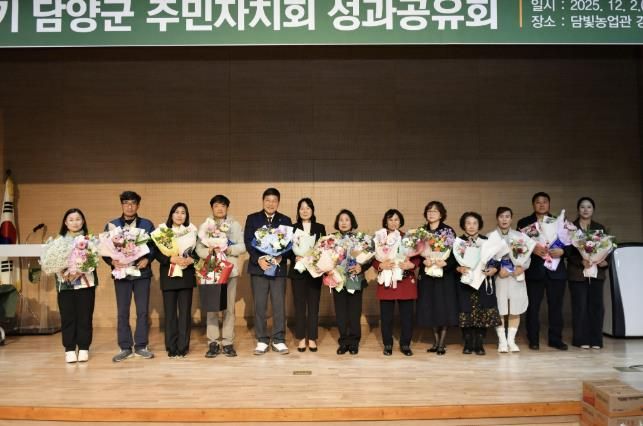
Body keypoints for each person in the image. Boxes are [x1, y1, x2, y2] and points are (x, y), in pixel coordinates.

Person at [103, 191, 156, 362]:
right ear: (122, 205)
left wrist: (147, 259)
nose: (129, 206)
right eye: (126, 203)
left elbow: (155, 246)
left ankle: (141, 346)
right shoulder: (112, 226)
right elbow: (104, 249)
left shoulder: (147, 224)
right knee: (122, 311)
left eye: (133, 203)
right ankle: (125, 347)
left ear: (138, 205)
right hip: (122, 274)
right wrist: (112, 261)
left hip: (142, 274)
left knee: (142, 311)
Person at [243, 188, 292, 355]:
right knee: (260, 305)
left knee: (279, 305)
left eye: (274, 201)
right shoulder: (253, 218)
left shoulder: (285, 220)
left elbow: (289, 244)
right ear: (263, 201)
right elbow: (248, 241)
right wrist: (259, 259)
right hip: (259, 268)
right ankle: (262, 340)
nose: (271, 204)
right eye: (268, 200)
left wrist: (280, 257)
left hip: (278, 268)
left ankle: (279, 339)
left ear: (278, 202)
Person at [196, 195, 246, 358]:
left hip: (229, 271)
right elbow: (198, 249)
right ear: (212, 208)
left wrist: (228, 249)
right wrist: (209, 251)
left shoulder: (234, 225)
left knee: (229, 308)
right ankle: (213, 342)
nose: (220, 209)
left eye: (223, 206)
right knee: (212, 307)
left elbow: (242, 246)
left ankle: (227, 342)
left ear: (227, 208)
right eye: (217, 205)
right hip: (211, 271)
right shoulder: (205, 225)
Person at [517, 192, 568, 351]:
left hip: (556, 271)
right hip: (535, 271)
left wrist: (563, 251)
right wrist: (532, 249)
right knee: (533, 307)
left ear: (549, 204)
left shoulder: (559, 222)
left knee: (556, 307)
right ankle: (533, 339)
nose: (541, 204)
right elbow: (518, 246)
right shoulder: (524, 222)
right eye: (538, 202)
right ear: (533, 204)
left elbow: (570, 245)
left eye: (544, 202)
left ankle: (555, 339)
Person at [373, 209, 419, 357]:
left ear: (400, 221)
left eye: (396, 219)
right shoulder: (379, 238)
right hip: (387, 280)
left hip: (404, 280)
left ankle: (405, 344)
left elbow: (417, 256)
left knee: (407, 316)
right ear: (386, 221)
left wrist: (412, 265)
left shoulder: (408, 237)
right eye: (390, 219)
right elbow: (372, 257)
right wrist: (380, 265)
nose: (393, 222)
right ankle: (388, 344)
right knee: (386, 316)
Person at [154, 203, 197, 358]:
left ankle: (183, 346)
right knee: (170, 313)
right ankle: (171, 346)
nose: (179, 215)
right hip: (169, 275)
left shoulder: (191, 231)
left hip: (186, 275)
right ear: (171, 214)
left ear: (186, 216)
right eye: (176, 212)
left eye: (183, 212)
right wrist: (170, 259)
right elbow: (156, 253)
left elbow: (197, 252)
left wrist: (192, 259)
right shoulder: (163, 232)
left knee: (185, 313)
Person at [455, 212, 501, 356]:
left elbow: (497, 260)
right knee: (466, 311)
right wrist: (458, 268)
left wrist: (494, 269)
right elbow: (451, 263)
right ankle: (468, 343)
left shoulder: (486, 241)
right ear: (463, 225)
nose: (471, 226)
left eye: (474, 223)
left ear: (479, 225)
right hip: (465, 283)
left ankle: (479, 343)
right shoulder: (458, 242)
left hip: (483, 282)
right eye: (468, 223)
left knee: (483, 312)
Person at [416, 201, 458, 355]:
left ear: (441, 214)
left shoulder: (448, 231)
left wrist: (445, 263)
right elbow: (414, 253)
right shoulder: (421, 232)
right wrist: (423, 261)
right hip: (427, 274)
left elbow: (455, 254)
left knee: (443, 307)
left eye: (435, 211)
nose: (431, 213)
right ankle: (435, 341)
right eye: (429, 211)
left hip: (443, 275)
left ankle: (441, 343)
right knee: (430, 306)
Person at [566, 197, 609, 350]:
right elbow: (568, 253)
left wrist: (604, 261)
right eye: (582, 207)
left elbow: (607, 249)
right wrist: (581, 261)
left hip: (596, 273)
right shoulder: (571, 228)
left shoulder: (600, 228)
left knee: (597, 307)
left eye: (589, 207)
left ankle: (596, 339)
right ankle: (581, 339)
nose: (585, 210)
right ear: (578, 209)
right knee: (580, 306)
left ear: (593, 210)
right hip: (578, 273)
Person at [55, 208, 97, 363]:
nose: (75, 222)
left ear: (83, 221)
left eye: (78, 219)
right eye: (71, 220)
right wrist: (63, 272)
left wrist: (80, 271)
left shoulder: (90, 240)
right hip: (65, 284)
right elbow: (53, 261)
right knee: (68, 316)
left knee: (85, 316)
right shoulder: (58, 241)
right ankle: (70, 349)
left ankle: (84, 347)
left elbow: (94, 260)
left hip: (85, 284)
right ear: (65, 223)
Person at [488, 207, 530, 353]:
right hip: (499, 277)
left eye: (507, 216)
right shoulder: (490, 236)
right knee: (500, 308)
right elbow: (486, 258)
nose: (504, 219)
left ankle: (511, 341)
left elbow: (527, 257)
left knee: (515, 308)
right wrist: (498, 269)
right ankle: (502, 341)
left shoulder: (520, 236)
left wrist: (520, 267)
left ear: (511, 219)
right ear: (497, 218)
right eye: (501, 216)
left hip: (515, 276)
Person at [289, 198, 326, 352]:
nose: (305, 211)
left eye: (308, 208)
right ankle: (301, 338)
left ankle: (312, 338)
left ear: (312, 210)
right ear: (298, 211)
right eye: (302, 208)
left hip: (314, 272)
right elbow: (286, 249)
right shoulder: (292, 228)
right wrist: (294, 257)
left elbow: (324, 249)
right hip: (298, 271)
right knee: (299, 306)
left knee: (313, 306)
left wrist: (314, 258)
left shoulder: (320, 227)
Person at [332, 209, 369, 355]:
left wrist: (361, 267)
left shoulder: (360, 239)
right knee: (341, 313)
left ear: (352, 222)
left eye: (347, 220)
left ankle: (354, 342)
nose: (344, 222)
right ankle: (343, 342)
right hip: (338, 280)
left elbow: (369, 258)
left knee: (354, 312)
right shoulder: (331, 240)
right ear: (337, 222)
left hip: (355, 279)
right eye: (341, 220)